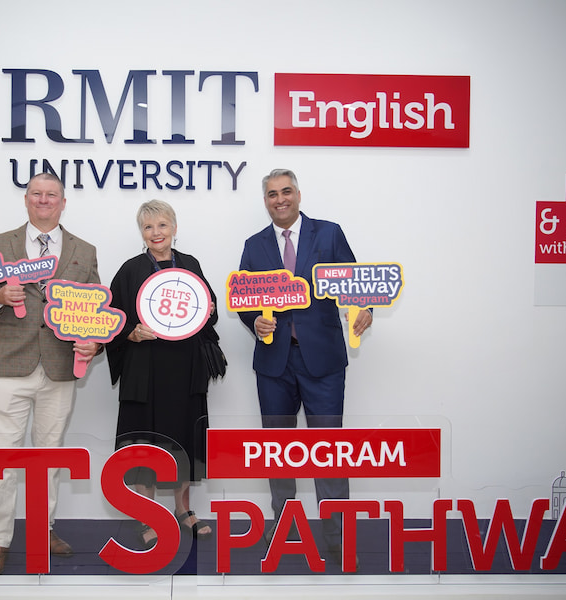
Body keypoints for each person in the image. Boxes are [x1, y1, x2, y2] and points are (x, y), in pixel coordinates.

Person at [0, 173, 101, 574]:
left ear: (63, 202)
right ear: (26, 200)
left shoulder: (84, 251)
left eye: (51, 195)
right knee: (1, 458)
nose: (44, 200)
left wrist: (95, 343)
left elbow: (96, 310)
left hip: (59, 368)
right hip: (10, 366)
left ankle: (43, 530)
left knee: (50, 458)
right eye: (37, 194)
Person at [237, 168, 372, 554]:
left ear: (298, 194)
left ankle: (336, 533)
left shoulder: (328, 233)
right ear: (265, 201)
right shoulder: (254, 244)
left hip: (323, 361)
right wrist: (254, 319)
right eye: (272, 194)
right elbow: (245, 300)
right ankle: (283, 523)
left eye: (286, 191)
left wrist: (365, 307)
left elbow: (356, 283)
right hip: (273, 364)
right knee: (278, 449)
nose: (280, 199)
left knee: (328, 448)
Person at [106, 199, 218, 549]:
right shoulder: (130, 269)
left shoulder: (191, 265)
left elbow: (210, 315)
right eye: (148, 227)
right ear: (142, 232)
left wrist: (208, 309)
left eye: (162, 225)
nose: (156, 233)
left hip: (185, 369)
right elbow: (111, 318)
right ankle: (147, 512)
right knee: (145, 442)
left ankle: (184, 510)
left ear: (174, 228)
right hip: (146, 370)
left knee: (185, 437)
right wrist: (130, 333)